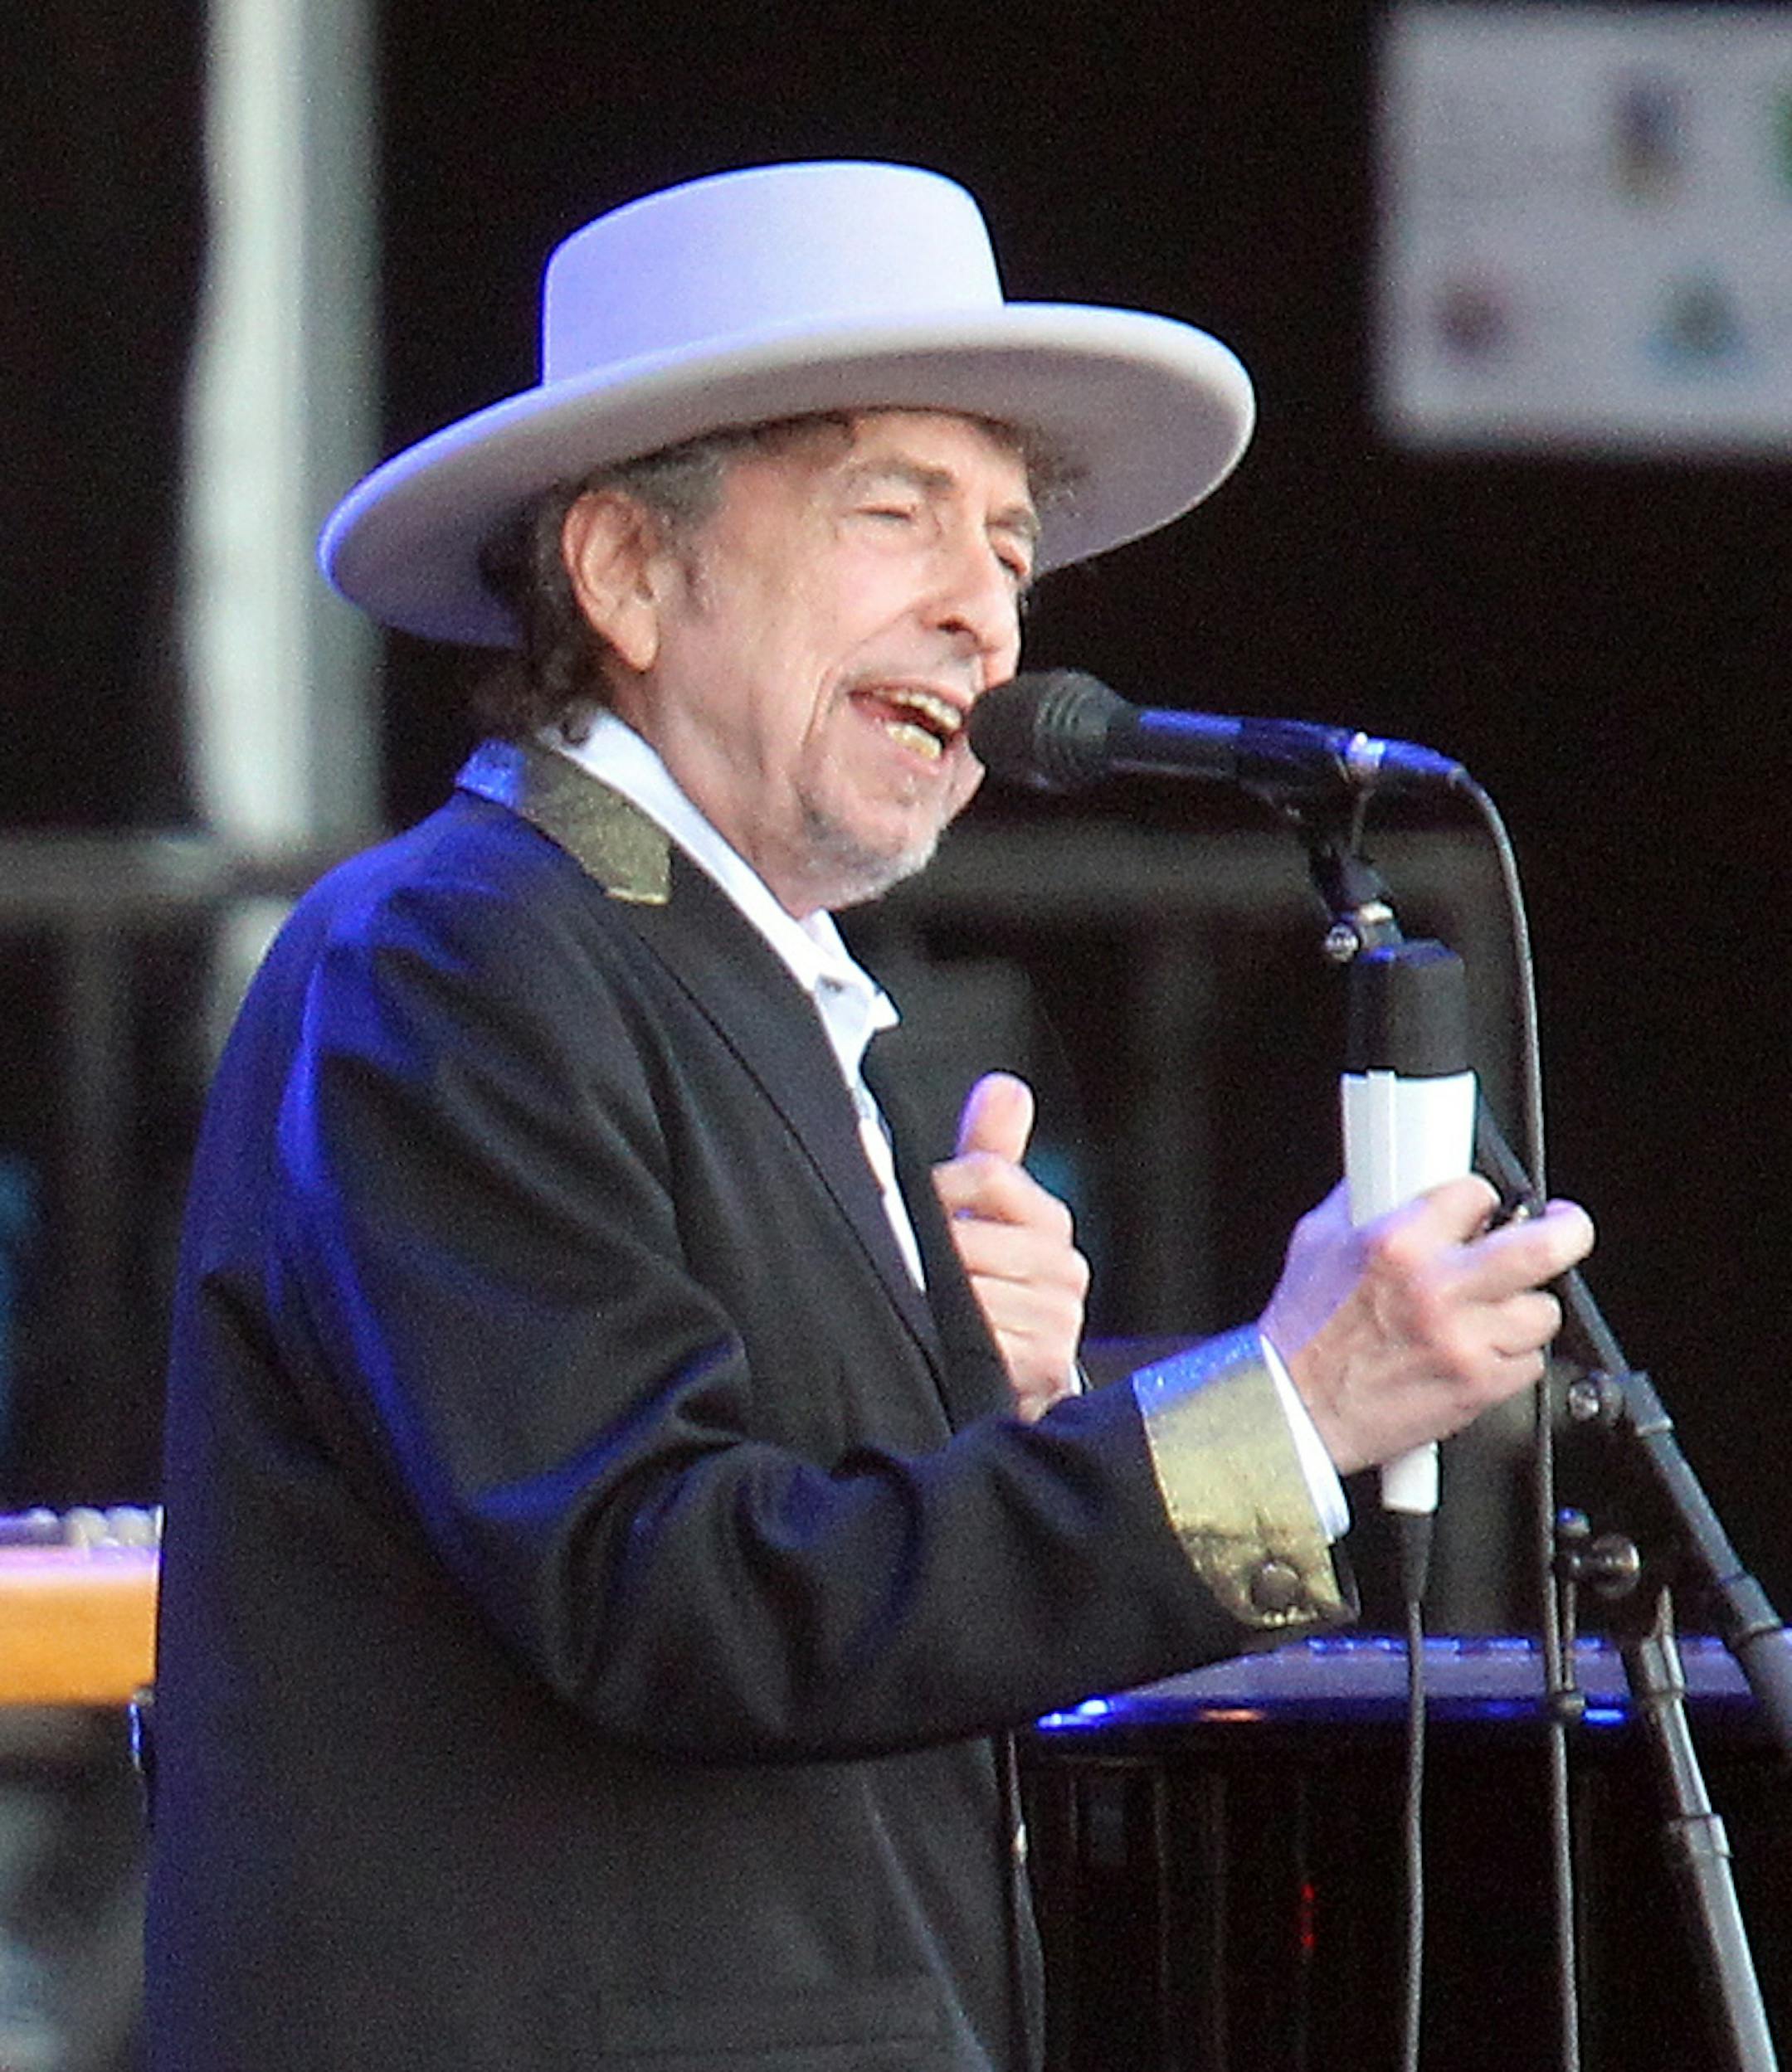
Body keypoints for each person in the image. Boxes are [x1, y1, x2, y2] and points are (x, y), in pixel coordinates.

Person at [144, 162, 1593, 2071]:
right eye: (894, 510)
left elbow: (800, 1571)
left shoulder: (730, 983)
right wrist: (1282, 1410)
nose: (987, 617)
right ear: (627, 573)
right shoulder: (455, 958)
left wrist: (1000, 1407)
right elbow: (668, 1586)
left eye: (1010, 544)